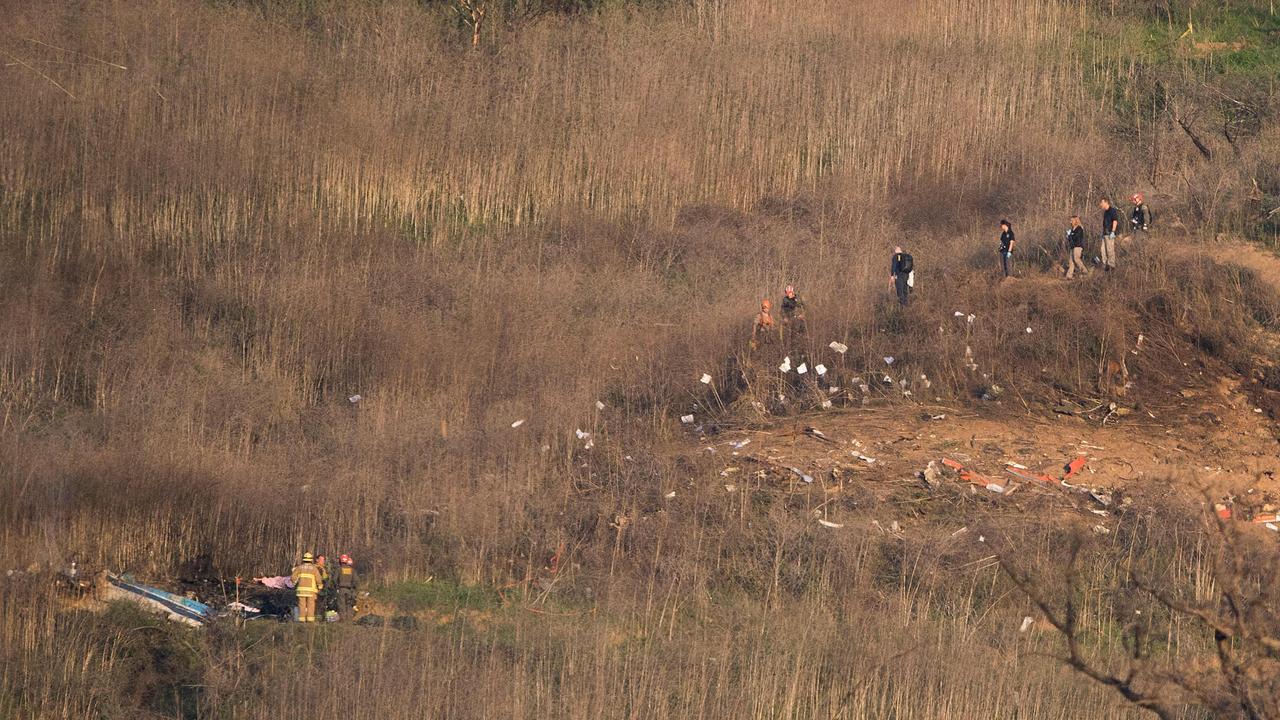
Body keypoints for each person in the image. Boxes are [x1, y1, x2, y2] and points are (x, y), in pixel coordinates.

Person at [290, 552, 323, 623]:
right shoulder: (314, 569)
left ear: (303, 559)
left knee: (302, 605)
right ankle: (310, 621)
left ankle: (302, 620)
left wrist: (295, 584)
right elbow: (318, 579)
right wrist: (320, 587)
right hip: (311, 591)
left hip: (301, 591)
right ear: (311, 560)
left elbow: (293, 578)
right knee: (310, 605)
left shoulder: (299, 568)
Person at [1065, 215, 1088, 279]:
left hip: (1078, 246)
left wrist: (1070, 235)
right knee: (1071, 262)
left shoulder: (1079, 228)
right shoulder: (1072, 229)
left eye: (1072, 220)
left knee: (1076, 259)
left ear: (1076, 221)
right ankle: (1069, 276)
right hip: (1072, 247)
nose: (1070, 222)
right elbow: (1071, 239)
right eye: (1070, 220)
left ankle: (1084, 271)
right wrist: (1068, 236)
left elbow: (1076, 237)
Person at [336, 554, 359, 619]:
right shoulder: (352, 570)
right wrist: (354, 589)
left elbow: (334, 580)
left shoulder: (339, 569)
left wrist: (336, 587)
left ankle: (342, 619)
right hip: (350, 590)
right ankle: (349, 618)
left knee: (341, 604)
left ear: (340, 561)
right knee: (349, 604)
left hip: (341, 589)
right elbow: (356, 581)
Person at [1099, 197, 1119, 271]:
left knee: (1110, 250)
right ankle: (1105, 265)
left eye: (1102, 202)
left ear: (1106, 202)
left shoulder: (1112, 210)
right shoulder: (1105, 212)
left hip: (1110, 233)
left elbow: (1115, 221)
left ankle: (1111, 265)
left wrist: (1113, 231)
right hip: (1104, 234)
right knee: (1103, 250)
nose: (1101, 204)